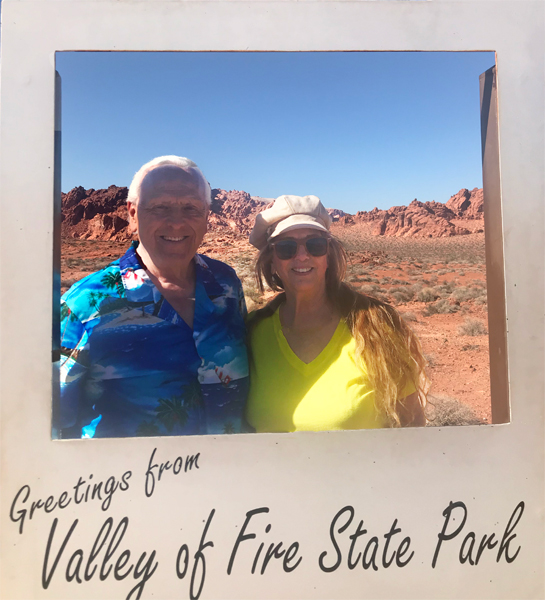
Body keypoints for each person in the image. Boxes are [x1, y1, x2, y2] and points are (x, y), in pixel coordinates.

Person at [58, 156, 249, 438]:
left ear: (207, 216)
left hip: (229, 473)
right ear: (132, 215)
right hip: (132, 480)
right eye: (160, 207)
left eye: (191, 208)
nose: (177, 223)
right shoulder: (84, 304)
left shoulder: (226, 285)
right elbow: (52, 419)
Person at [245, 195, 428, 432]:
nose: (302, 256)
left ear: (328, 256)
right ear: (271, 261)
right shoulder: (251, 332)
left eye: (315, 245)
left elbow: (411, 424)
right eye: (286, 247)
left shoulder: (376, 327)